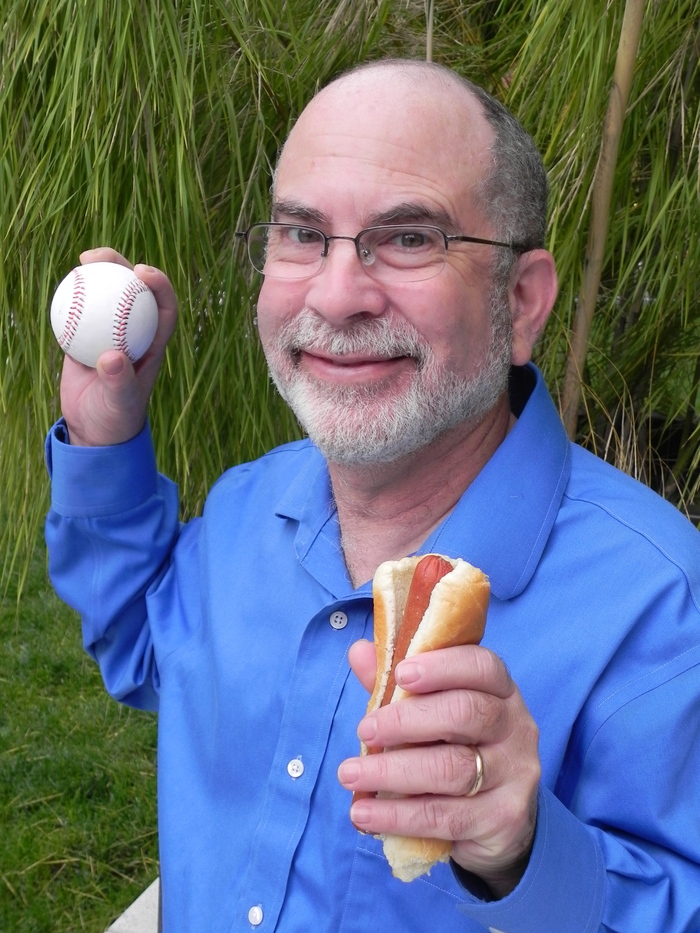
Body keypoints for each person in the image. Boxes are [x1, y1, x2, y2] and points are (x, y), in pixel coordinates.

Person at [45, 59, 700, 933]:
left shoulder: (661, 608)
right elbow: (141, 642)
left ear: (521, 301)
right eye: (302, 233)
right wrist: (105, 438)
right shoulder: (247, 507)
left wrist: (524, 853)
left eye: (410, 238)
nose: (338, 295)